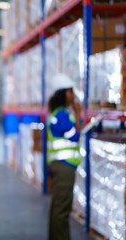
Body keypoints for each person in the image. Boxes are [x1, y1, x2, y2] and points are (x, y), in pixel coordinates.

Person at [47, 73, 82, 240]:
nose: (73, 95)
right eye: (71, 91)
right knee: (62, 208)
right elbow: (74, 135)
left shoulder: (57, 113)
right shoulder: (62, 114)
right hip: (65, 166)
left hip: (60, 165)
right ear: (64, 93)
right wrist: (78, 113)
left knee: (58, 207)